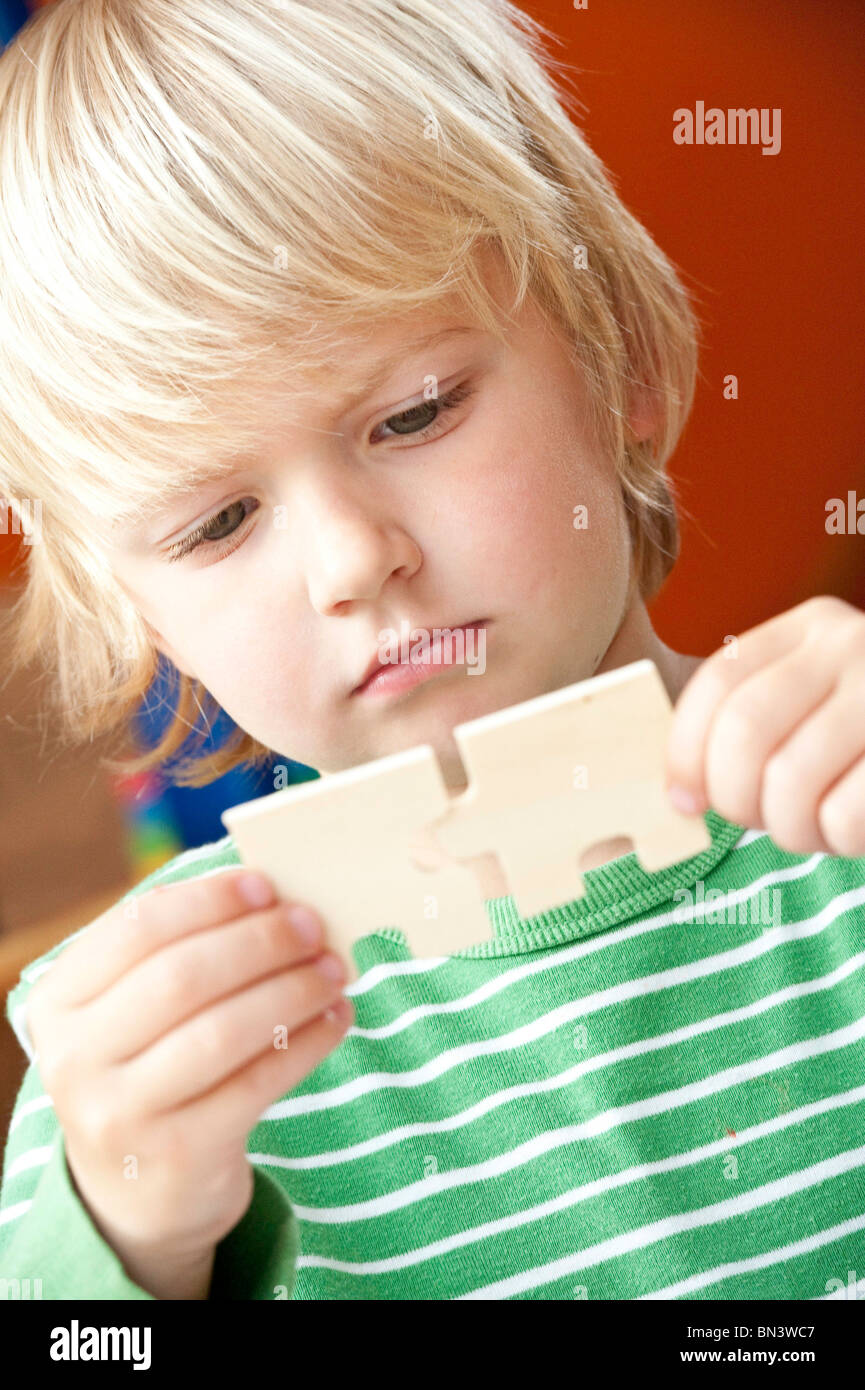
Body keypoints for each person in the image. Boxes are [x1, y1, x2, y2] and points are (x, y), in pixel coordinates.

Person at [1, 0, 864, 1301]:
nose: (352, 561)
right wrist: (127, 1247)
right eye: (219, 519)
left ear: (614, 353)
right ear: (135, 609)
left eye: (415, 413)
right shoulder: (122, 1077)